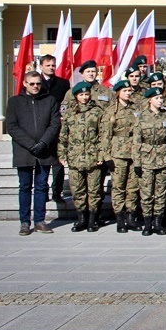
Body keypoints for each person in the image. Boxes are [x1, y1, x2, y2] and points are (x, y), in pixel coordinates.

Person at [7, 71, 60, 235]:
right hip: (24, 152)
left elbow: (55, 124)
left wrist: (43, 143)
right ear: (24, 83)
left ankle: (39, 221)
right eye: (32, 83)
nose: (36, 86)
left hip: (45, 151)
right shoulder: (15, 102)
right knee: (24, 187)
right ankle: (24, 222)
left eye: (38, 83)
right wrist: (31, 145)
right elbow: (12, 127)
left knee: (42, 187)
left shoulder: (49, 100)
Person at [59, 82, 104, 233]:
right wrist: (62, 154)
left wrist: (101, 154)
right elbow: (64, 135)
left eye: (86, 94)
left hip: (93, 156)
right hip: (75, 157)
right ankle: (81, 219)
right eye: (81, 95)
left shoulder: (97, 111)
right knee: (77, 190)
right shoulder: (70, 113)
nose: (84, 98)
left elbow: (103, 135)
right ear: (76, 96)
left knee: (94, 190)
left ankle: (92, 219)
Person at [102, 80, 141, 233]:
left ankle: (131, 217)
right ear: (118, 92)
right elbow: (105, 135)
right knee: (118, 187)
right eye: (125, 91)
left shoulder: (136, 108)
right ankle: (120, 218)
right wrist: (107, 156)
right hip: (117, 153)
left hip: (134, 152)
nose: (128, 93)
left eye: (130, 91)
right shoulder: (111, 111)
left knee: (132, 187)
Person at [133, 87, 166, 236]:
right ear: (150, 100)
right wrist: (137, 162)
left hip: (163, 157)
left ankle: (158, 222)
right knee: (147, 193)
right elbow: (136, 141)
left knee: (161, 193)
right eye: (157, 98)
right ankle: (148, 223)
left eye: (161, 98)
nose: (160, 100)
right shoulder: (141, 116)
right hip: (147, 158)